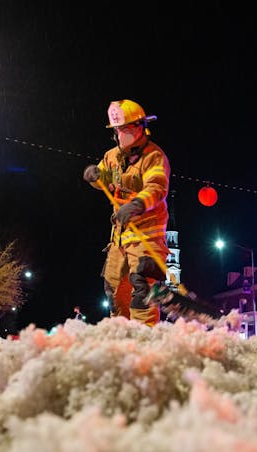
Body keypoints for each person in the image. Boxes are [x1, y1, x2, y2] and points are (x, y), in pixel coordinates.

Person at [83, 99, 170, 327]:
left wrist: (137, 205)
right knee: (112, 289)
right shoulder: (112, 157)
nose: (118, 135)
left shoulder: (154, 157)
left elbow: (157, 187)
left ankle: (145, 337)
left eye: (123, 129)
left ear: (139, 127)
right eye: (116, 130)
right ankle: (121, 335)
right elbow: (107, 180)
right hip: (119, 238)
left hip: (146, 237)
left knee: (143, 288)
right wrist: (96, 176)